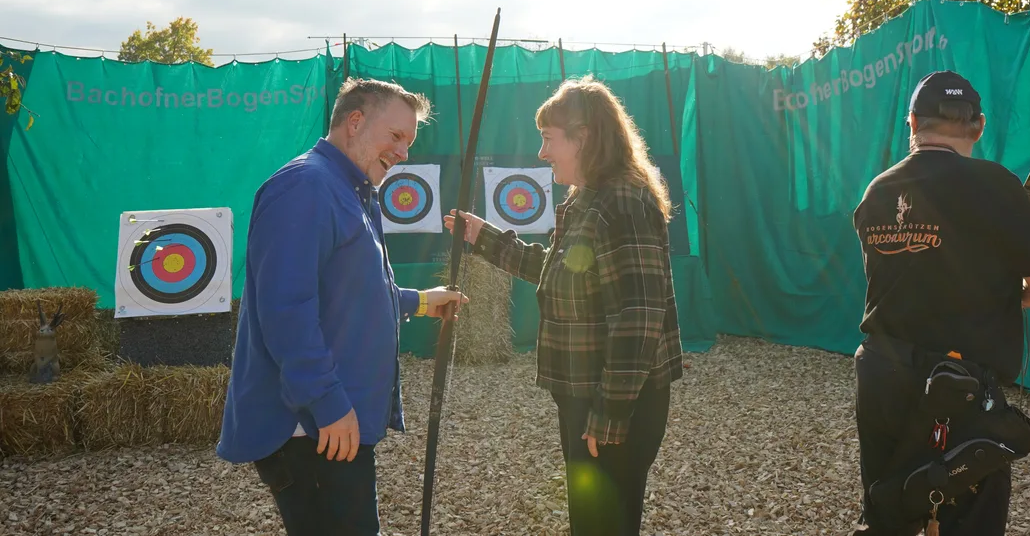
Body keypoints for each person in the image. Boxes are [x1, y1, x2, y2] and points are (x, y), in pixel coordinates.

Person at [217, 77, 468, 536]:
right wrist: (327, 402)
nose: (403, 153)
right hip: (310, 428)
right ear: (355, 121)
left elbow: (351, 290)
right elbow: (286, 309)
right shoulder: (306, 186)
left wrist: (420, 302)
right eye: (396, 136)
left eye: (409, 142)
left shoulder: (345, 186)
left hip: (327, 421)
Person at [442, 75, 684, 536]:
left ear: (585, 137)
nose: (542, 153)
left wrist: (610, 414)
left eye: (549, 139)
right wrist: (483, 237)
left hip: (613, 399)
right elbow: (559, 269)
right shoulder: (588, 198)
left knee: (604, 524)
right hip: (588, 392)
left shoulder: (622, 202)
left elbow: (638, 316)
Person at [849, 70, 1030, 535]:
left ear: (911, 122)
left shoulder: (879, 190)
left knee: (891, 504)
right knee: (967, 519)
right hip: (959, 386)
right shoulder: (994, 185)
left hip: (882, 373)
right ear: (980, 126)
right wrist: (1015, 298)